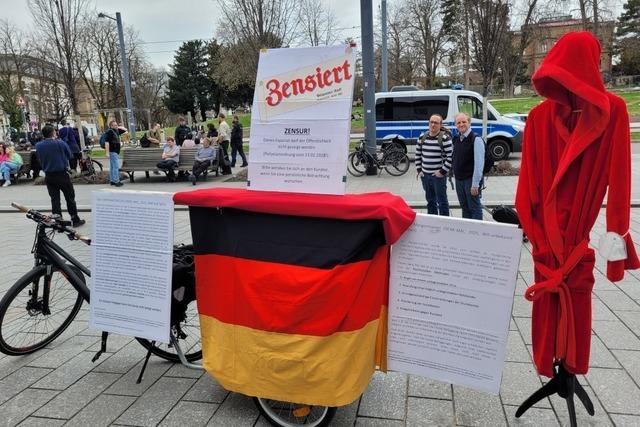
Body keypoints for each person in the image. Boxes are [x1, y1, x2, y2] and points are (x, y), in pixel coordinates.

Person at [35, 125, 85, 227]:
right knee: (69, 197)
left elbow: (39, 158)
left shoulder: (38, 145)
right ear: (53, 132)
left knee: (55, 199)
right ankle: (74, 218)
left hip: (48, 176)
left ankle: (58, 221)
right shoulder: (60, 143)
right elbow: (70, 155)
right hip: (61, 174)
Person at [416, 114, 452, 216]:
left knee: (442, 201)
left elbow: (450, 157)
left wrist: (442, 172)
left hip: (438, 177)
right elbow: (418, 154)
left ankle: (445, 223)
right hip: (425, 176)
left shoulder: (445, 138)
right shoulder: (422, 137)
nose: (433, 125)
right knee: (430, 201)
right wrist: (419, 170)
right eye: (431, 122)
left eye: (436, 123)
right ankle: (432, 223)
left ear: (440, 125)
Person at [452, 113, 484, 220]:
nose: (461, 124)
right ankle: (467, 232)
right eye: (458, 123)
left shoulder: (475, 139)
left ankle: (477, 233)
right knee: (464, 207)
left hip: (470, 180)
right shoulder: (456, 138)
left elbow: (479, 164)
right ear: (455, 125)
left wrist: (475, 184)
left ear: (469, 123)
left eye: (464, 122)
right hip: (459, 180)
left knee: (474, 207)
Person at [103, 120, 127, 187]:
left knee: (112, 167)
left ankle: (112, 181)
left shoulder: (116, 131)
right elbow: (106, 143)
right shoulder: (110, 132)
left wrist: (118, 126)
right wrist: (107, 152)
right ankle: (116, 181)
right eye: (114, 125)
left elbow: (125, 129)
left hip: (115, 151)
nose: (116, 126)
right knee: (115, 167)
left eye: (116, 125)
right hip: (112, 151)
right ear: (111, 126)